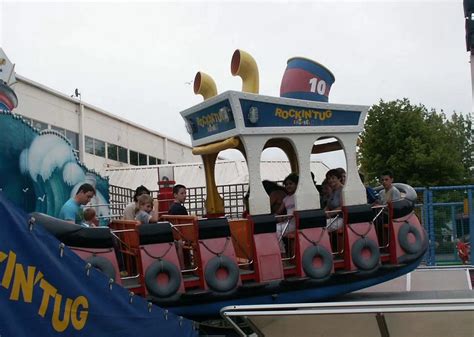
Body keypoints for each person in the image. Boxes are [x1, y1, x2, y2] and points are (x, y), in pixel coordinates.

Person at [276, 173, 299, 253]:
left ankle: (282, 252)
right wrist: (276, 216)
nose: (288, 186)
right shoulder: (285, 199)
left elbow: (296, 212)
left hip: (296, 223)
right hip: (288, 222)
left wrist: (286, 217)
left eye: (290, 184)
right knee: (273, 228)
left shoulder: (299, 196)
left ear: (296, 184)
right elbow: (279, 212)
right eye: (286, 184)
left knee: (276, 230)